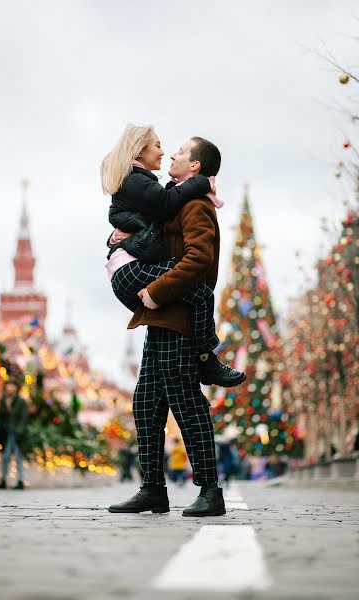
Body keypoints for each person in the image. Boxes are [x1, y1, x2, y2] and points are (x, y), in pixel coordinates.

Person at [108, 135, 231, 517]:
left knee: (186, 401)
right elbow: (148, 230)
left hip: (175, 315)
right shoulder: (174, 197)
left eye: (179, 151)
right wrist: (118, 238)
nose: (172, 154)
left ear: (194, 166)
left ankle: (210, 490)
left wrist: (158, 291)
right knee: (145, 404)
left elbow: (199, 260)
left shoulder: (194, 203)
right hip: (161, 317)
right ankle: (153, 490)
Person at [102, 124, 246, 389]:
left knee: (149, 404)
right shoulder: (140, 181)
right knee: (202, 295)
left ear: (194, 164)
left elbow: (149, 225)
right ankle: (207, 360)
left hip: (136, 278)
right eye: (158, 145)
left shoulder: (157, 189)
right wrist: (201, 183)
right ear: (139, 149)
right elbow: (164, 207)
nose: (166, 153)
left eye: (178, 151)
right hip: (136, 274)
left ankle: (206, 360)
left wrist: (117, 239)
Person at [0, 378, 29, 490]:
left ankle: (21, 481)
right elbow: (1, 416)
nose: (9, 387)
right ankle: (3, 480)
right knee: (5, 456)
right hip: (7, 432)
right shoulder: (3, 400)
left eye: (11, 384)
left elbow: (24, 418)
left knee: (19, 456)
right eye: (8, 384)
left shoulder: (21, 401)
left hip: (18, 434)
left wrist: (19, 431)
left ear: (16, 387)